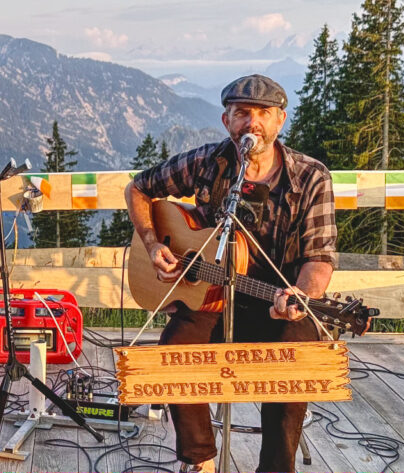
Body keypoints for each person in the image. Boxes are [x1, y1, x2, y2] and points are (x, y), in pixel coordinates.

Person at [124, 74, 337, 473]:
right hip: (209, 296)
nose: (251, 123)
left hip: (276, 302)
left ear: (280, 121)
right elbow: (138, 189)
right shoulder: (209, 162)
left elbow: (319, 258)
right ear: (227, 121)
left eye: (263, 113)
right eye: (241, 113)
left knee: (294, 357)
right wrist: (154, 244)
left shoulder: (311, 177)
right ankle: (200, 459)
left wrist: (300, 296)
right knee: (175, 349)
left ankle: (275, 468)